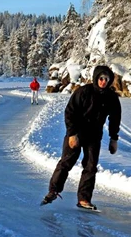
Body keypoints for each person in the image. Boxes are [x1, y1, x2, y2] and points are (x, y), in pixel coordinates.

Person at [42, 65, 121, 209]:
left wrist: (113, 138)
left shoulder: (111, 97)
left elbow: (115, 118)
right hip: (76, 132)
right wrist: (72, 134)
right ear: (96, 78)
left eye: (106, 79)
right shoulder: (84, 91)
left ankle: (84, 199)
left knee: (90, 167)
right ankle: (53, 190)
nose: (103, 81)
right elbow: (70, 112)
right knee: (66, 163)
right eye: (101, 78)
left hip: (94, 136)